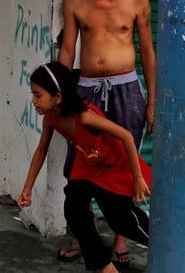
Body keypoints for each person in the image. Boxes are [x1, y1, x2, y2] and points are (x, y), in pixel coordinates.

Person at [56, 0, 156, 265]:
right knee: (80, 166)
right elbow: (67, 49)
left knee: (124, 166)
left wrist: (153, 101)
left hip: (127, 90)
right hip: (85, 91)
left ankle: (121, 240)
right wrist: (62, 96)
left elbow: (147, 52)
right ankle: (81, 237)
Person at [18, 62, 151, 273]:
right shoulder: (51, 118)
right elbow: (41, 150)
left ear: (58, 97)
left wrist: (137, 178)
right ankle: (104, 266)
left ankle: (168, 244)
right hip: (89, 166)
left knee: (122, 221)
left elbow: (126, 136)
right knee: (74, 208)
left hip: (115, 167)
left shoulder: (86, 116)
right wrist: (27, 188)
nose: (34, 101)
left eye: (38, 95)